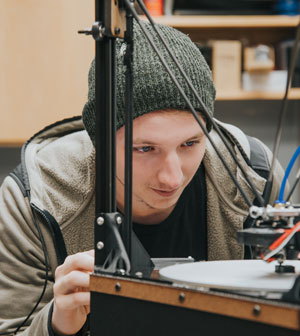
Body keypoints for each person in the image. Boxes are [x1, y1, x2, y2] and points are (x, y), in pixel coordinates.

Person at [0, 22, 283, 335]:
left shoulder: (255, 177)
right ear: (100, 142)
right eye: (145, 148)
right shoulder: (33, 201)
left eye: (190, 144)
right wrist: (56, 326)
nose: (172, 177)